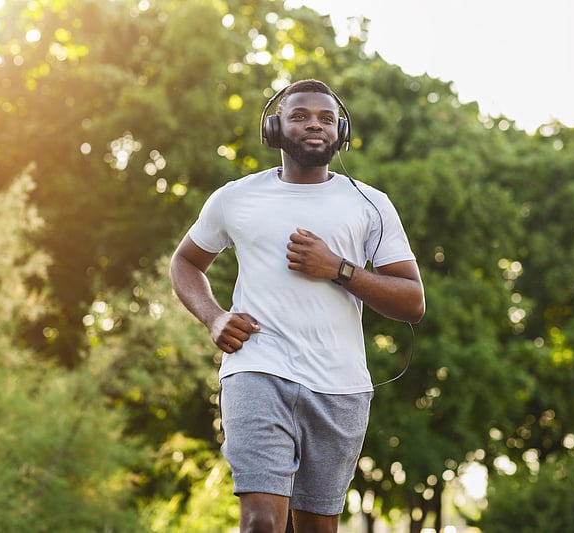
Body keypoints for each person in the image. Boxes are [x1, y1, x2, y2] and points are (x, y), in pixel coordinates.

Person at [169, 79, 425, 533]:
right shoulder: (235, 197)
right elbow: (186, 262)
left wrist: (338, 268)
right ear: (274, 129)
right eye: (301, 115)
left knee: (317, 528)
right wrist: (214, 316)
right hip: (257, 371)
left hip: (339, 387)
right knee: (261, 523)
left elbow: (412, 301)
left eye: (327, 119)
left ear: (341, 132)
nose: (315, 125)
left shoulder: (371, 205)